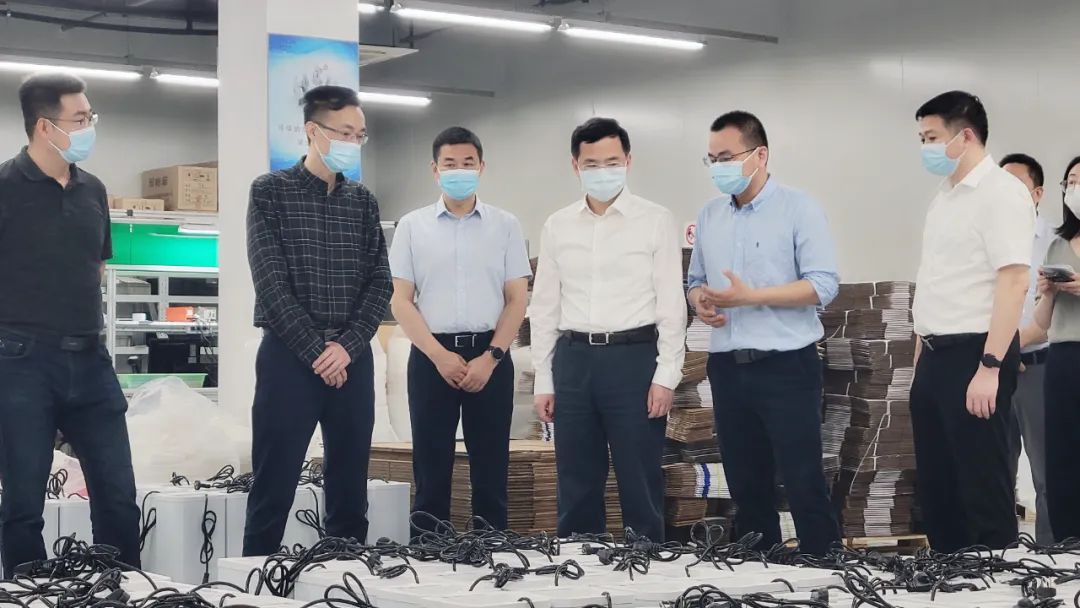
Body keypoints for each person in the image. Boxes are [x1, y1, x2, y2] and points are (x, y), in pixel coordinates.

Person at [0, 73, 140, 575]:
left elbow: (95, 266)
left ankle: (119, 588)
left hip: (90, 359)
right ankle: (30, 594)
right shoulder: (4, 187)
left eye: (90, 117)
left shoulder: (93, 190)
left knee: (119, 497)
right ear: (45, 126)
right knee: (23, 504)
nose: (89, 127)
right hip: (21, 361)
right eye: (80, 119)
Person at [244, 85, 392, 555]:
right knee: (274, 483)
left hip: (352, 358)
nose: (353, 142)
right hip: (289, 359)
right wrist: (317, 352)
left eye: (359, 135)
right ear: (312, 130)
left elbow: (380, 283)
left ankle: (344, 576)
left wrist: (347, 347)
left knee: (350, 488)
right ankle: (254, 582)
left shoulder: (363, 202)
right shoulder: (270, 192)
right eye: (344, 132)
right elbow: (271, 284)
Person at [686, 111, 841, 556]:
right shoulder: (710, 215)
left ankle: (824, 565)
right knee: (746, 483)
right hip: (727, 366)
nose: (719, 167)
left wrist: (751, 297)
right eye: (712, 159)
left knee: (802, 477)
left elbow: (823, 285)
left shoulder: (799, 208)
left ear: (760, 155)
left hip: (786, 365)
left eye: (727, 157)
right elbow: (695, 280)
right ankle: (759, 571)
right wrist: (700, 301)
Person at [531, 117, 686, 541]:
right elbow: (544, 307)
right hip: (574, 360)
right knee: (576, 478)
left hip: (633, 359)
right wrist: (544, 380)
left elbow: (672, 305)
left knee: (639, 477)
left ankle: (647, 562)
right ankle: (579, 564)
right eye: (592, 164)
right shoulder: (558, 225)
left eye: (612, 162)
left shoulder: (655, 220)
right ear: (575, 166)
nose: (603, 171)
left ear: (628, 161)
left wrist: (666, 375)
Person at [389, 127, 530, 535]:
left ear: (481, 167)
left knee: (491, 470)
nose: (459, 170)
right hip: (431, 356)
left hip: (491, 355)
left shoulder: (505, 225)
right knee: (431, 469)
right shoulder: (412, 226)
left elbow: (517, 299)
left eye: (468, 163)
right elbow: (401, 301)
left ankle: (492, 553)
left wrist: (492, 357)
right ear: (435, 170)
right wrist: (438, 356)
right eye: (450, 163)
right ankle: (429, 558)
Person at [910, 91, 1032, 552]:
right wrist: (920, 356)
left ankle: (997, 578)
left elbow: (1014, 281)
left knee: (981, 483)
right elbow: (935, 280)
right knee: (938, 488)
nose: (925, 146)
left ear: (964, 136)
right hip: (935, 354)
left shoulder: (1001, 193)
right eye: (922, 138)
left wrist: (990, 365)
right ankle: (951, 577)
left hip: (977, 352)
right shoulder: (943, 198)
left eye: (931, 137)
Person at [999, 153, 1053, 544]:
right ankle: (998, 549)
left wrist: (1010, 348)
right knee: (996, 466)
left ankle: (1054, 552)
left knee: (1045, 468)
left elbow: (1049, 312)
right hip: (993, 367)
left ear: (1037, 193)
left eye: (1016, 186)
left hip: (1037, 366)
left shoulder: (1054, 243)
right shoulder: (990, 241)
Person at [1034, 155, 1080, 542]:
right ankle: (1068, 542)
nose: (1075, 188)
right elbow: (1043, 321)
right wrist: (1047, 292)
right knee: (1063, 454)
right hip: (1063, 358)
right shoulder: (1057, 246)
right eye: (1072, 182)